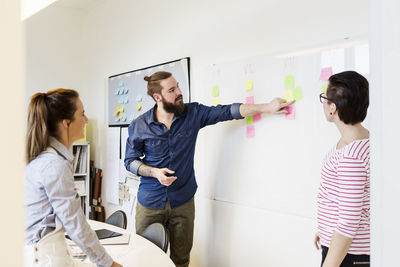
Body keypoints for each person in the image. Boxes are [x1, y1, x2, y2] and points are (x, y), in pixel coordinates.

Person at [125, 71, 294, 267]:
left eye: (178, 86)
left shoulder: (193, 113)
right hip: (150, 202)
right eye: (172, 90)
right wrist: (154, 172)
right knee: (146, 260)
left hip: (183, 202)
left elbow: (227, 111)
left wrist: (267, 107)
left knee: (181, 260)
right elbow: (130, 161)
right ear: (158, 97)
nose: (179, 92)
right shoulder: (139, 125)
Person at [25, 89, 122, 267]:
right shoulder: (54, 165)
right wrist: (109, 264)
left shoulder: (44, 158)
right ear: (66, 123)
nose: (86, 120)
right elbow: (76, 225)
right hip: (47, 260)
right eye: (82, 114)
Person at [314, 71, 370, 267]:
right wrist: (325, 229)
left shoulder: (351, 157)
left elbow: (347, 223)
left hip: (349, 255)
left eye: (325, 98)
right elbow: (344, 199)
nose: (324, 103)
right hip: (343, 249)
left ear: (333, 108)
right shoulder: (359, 142)